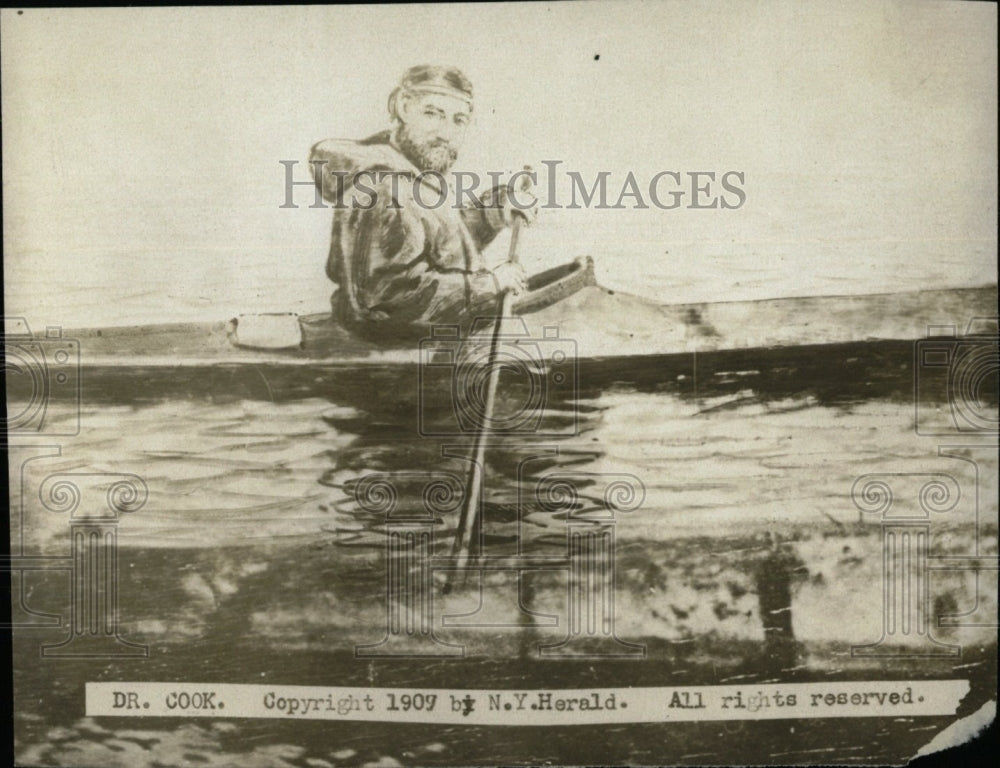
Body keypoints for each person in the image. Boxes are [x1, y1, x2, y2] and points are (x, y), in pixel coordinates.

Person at [310, 65, 537, 340]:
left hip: (434, 330)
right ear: (404, 108)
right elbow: (387, 298)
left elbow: (440, 247)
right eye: (433, 114)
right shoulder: (383, 188)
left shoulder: (410, 176)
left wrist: (496, 211)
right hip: (391, 343)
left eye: (459, 120)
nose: (447, 133)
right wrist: (490, 285)